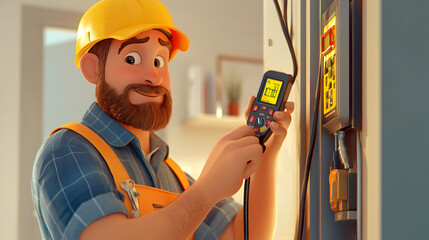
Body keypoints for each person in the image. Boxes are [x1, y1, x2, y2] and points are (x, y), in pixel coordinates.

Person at [31, 0, 294, 239]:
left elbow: (245, 235)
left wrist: (266, 155)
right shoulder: (66, 151)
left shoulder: (174, 177)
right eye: (132, 59)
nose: (154, 77)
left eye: (159, 61)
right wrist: (205, 191)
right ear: (93, 68)